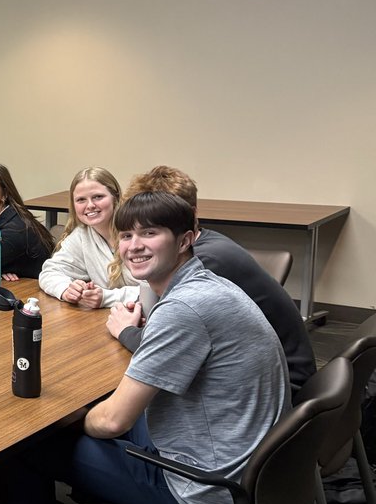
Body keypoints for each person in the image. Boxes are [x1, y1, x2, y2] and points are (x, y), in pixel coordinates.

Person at [8, 191, 288, 504]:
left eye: (150, 233)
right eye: (126, 235)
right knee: (122, 420)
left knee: (28, 447)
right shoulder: (207, 285)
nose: (134, 245)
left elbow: (111, 420)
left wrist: (67, 419)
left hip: (211, 491)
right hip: (255, 475)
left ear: (185, 240)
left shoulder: (184, 308)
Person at [106, 165, 316, 390]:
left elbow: (163, 345)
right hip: (255, 374)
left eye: (151, 228)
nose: (136, 244)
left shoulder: (203, 265)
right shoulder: (203, 245)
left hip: (278, 383)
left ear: (186, 223)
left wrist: (126, 331)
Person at [38, 167, 139, 308]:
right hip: (114, 315)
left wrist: (106, 297)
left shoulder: (137, 231)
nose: (90, 205)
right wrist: (67, 289)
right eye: (81, 200)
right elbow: (50, 272)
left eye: (98, 197)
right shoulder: (82, 234)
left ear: (115, 197)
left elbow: (158, 289)